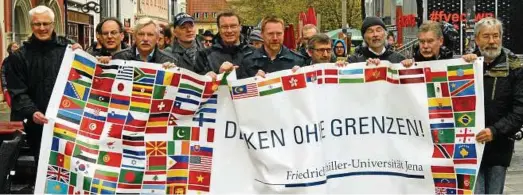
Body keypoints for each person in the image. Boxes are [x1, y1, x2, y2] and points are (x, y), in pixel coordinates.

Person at [5, 5, 81, 178]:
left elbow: (85, 77)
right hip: (38, 125)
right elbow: (17, 92)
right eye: (37, 24)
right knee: (44, 169)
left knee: (74, 167)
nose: (42, 28)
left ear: (53, 24)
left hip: (69, 122)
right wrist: (33, 112)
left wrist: (84, 56)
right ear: (31, 26)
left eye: (46, 23)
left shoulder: (68, 49)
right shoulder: (19, 57)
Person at [459, 17, 523, 194]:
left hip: (499, 145)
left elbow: (520, 110)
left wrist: (494, 131)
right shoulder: (467, 65)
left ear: (502, 38)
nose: (492, 41)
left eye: (496, 36)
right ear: (477, 39)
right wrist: (463, 66)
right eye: (486, 36)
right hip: (470, 145)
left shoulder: (515, 67)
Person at [195, 11, 255, 78]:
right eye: (224, 27)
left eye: (233, 26)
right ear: (219, 28)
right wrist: (218, 74)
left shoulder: (254, 52)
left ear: (240, 27)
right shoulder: (204, 55)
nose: (229, 31)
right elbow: (198, 84)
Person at [112, 17, 176, 64]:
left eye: (150, 35)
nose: (145, 39)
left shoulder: (169, 61)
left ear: (157, 38)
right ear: (134, 37)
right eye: (141, 34)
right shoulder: (119, 57)